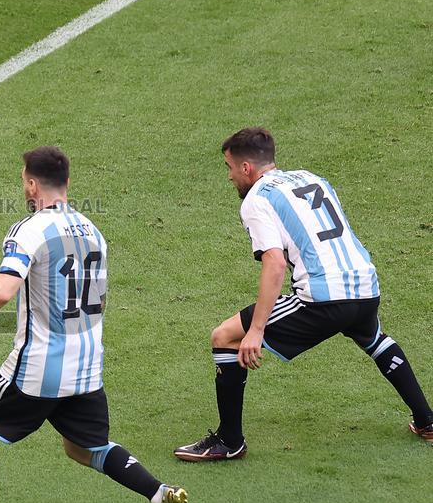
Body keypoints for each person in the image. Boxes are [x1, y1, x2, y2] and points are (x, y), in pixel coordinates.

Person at [0, 146, 190, 503]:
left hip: (37, 368)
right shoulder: (93, 230)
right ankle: (161, 496)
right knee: (83, 448)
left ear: (32, 184)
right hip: (86, 367)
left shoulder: (28, 229)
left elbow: (2, 292)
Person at [174, 127, 433, 460]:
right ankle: (426, 421)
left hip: (323, 298)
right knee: (374, 339)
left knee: (224, 336)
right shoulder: (310, 178)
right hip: (365, 284)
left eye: (229, 167)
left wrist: (255, 331)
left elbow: (275, 263)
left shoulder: (257, 198)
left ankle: (229, 441)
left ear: (247, 168)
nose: (229, 177)